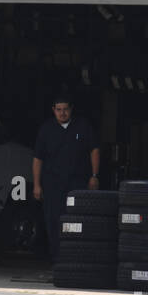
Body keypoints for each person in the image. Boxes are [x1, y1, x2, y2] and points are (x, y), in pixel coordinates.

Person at [33, 93, 101, 260]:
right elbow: (38, 159)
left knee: (77, 219)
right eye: (59, 110)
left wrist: (94, 175)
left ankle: (76, 257)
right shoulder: (46, 129)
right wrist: (36, 184)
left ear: (71, 110)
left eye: (65, 110)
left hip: (77, 182)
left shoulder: (82, 126)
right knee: (54, 221)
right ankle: (57, 258)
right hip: (53, 184)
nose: (62, 113)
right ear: (53, 110)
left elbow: (94, 150)